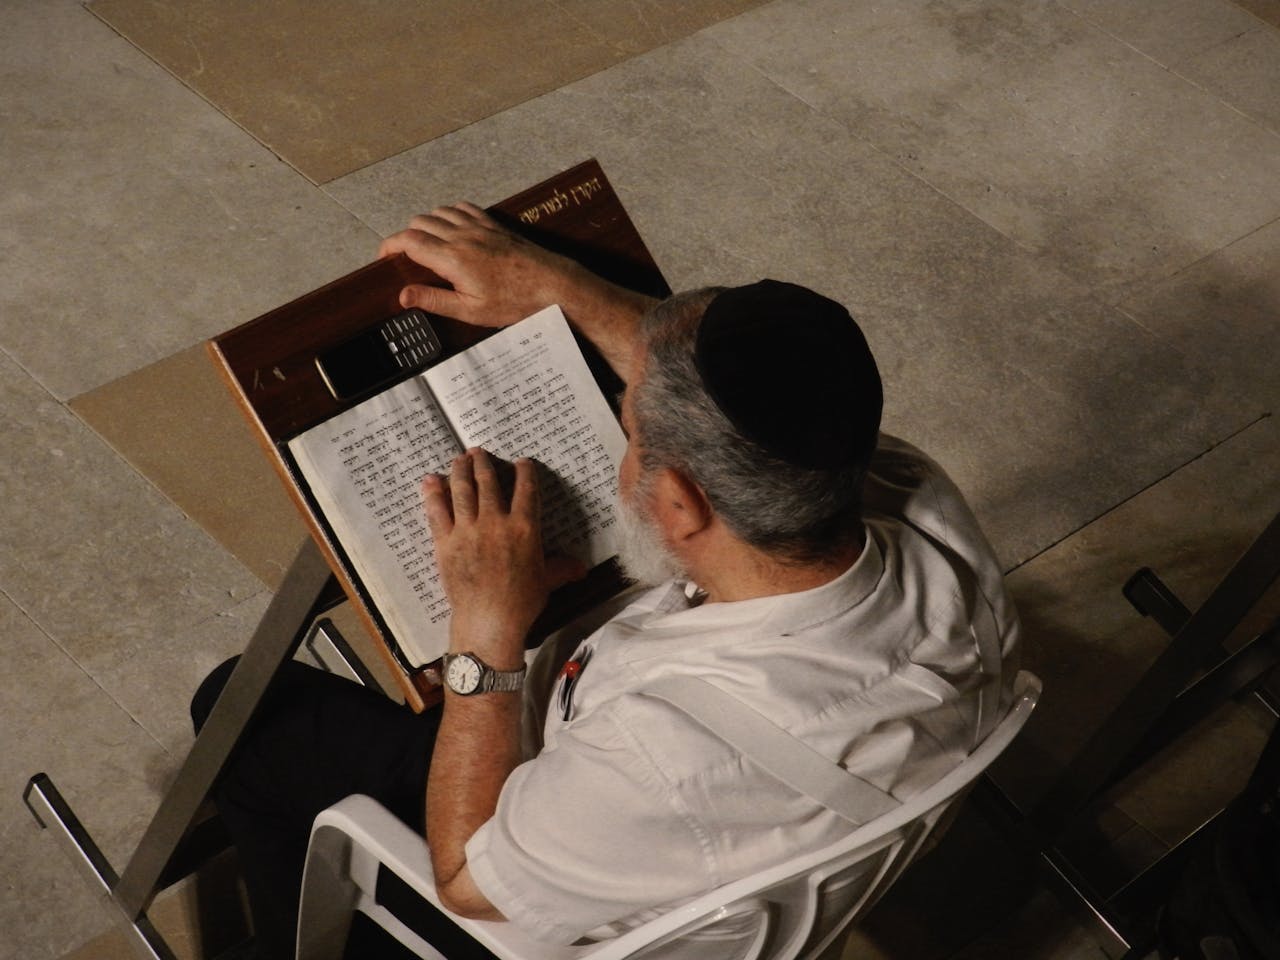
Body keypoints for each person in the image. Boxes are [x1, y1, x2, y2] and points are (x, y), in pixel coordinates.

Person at [193, 202, 1020, 958]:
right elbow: (759, 408)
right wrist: (559, 287)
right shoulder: (917, 502)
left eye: (627, 428)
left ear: (679, 504)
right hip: (720, 836)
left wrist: (485, 629)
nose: (622, 438)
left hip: (538, 881)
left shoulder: (661, 753)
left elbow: (469, 884)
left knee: (245, 711)